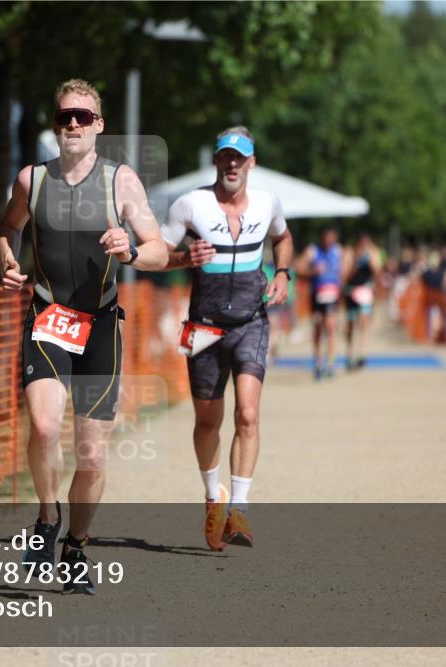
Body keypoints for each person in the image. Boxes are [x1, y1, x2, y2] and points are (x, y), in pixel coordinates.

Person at [0, 79, 167, 594]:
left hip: (100, 326)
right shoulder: (32, 179)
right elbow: (8, 227)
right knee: (44, 426)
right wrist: (7, 260)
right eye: (64, 116)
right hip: (48, 317)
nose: (73, 123)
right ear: (55, 124)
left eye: (83, 116)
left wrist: (131, 250)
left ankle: (75, 546)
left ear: (99, 125)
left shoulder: (121, 182)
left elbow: (159, 249)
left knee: (91, 455)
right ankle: (48, 518)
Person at [159, 126, 293, 550]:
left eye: (239, 157)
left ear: (252, 162)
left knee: (248, 415)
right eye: (225, 156)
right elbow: (157, 254)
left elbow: (283, 236)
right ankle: (212, 497)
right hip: (202, 327)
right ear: (216, 160)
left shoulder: (268, 202)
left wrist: (283, 273)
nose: (231, 164)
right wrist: (183, 258)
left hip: (252, 321)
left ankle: (239, 508)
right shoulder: (190, 205)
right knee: (207, 422)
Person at [297, 228, 342, 379]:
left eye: (332, 238)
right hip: (317, 295)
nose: (329, 241)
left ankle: (331, 362)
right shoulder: (313, 251)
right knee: (318, 327)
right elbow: (298, 267)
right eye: (326, 238)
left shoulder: (338, 251)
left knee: (330, 326)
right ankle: (318, 361)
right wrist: (312, 271)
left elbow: (345, 269)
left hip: (332, 294)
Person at [341, 233, 382, 370]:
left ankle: (362, 354)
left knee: (363, 323)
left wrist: (370, 261)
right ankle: (349, 354)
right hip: (351, 291)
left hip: (364, 292)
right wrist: (356, 262)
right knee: (351, 324)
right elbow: (345, 276)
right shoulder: (350, 253)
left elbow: (377, 272)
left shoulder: (373, 253)